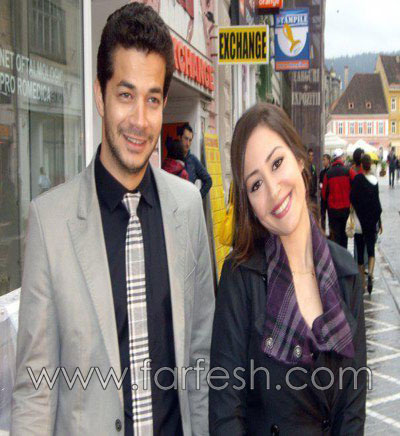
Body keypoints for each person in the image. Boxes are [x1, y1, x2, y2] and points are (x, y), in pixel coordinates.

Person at [11, 4, 215, 436]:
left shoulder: (187, 208)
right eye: (125, 95)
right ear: (99, 95)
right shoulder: (50, 222)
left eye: (152, 99)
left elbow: (201, 358)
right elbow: (35, 391)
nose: (140, 120)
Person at [209, 103, 366, 435]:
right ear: (249, 203)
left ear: (300, 159)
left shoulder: (346, 273)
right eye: (255, 184)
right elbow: (225, 413)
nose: (273, 190)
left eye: (277, 163)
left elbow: (352, 410)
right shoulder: (240, 278)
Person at [350, 154, 383, 294]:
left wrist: (353, 212)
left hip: (359, 222)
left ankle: (363, 284)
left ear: (361, 166)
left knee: (359, 252)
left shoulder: (357, 179)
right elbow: (377, 203)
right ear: (370, 166)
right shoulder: (375, 181)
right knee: (371, 251)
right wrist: (379, 221)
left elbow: (352, 199)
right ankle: (370, 274)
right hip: (371, 222)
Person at [322, 148, 351, 248]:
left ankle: (337, 255)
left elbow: (323, 194)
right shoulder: (348, 171)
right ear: (341, 158)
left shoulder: (328, 174)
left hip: (333, 210)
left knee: (335, 236)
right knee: (344, 236)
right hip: (345, 209)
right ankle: (344, 253)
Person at [178, 123, 212, 198]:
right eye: (186, 139)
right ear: (180, 138)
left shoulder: (193, 160)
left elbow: (208, 181)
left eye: (190, 140)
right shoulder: (172, 158)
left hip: (188, 203)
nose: (188, 143)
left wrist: (197, 198)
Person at [319, 153, 330, 232]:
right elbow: (320, 182)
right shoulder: (322, 172)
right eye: (322, 160)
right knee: (323, 215)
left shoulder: (330, 171)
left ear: (328, 160)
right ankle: (323, 231)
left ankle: (330, 233)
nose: (323, 161)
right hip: (323, 197)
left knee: (330, 216)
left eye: (324, 160)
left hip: (329, 196)